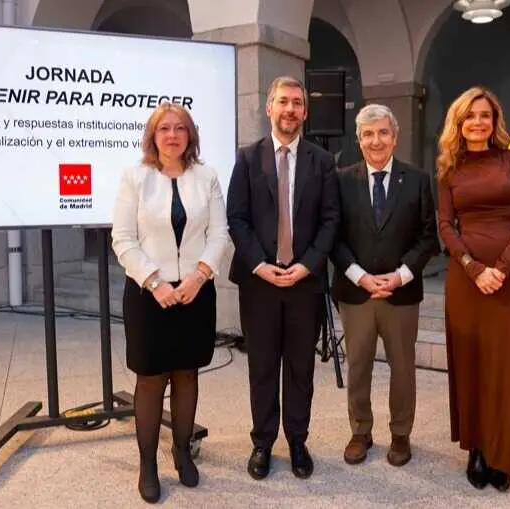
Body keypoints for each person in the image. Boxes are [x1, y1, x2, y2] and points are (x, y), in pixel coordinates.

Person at [112, 103, 229, 503]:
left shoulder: (207, 177)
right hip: (149, 296)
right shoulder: (135, 178)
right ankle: (148, 464)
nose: (173, 135)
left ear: (190, 135)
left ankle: (181, 451)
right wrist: (155, 282)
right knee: (150, 380)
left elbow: (220, 234)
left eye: (181, 128)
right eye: (164, 128)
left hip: (196, 293)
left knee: (187, 374)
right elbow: (123, 239)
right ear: (153, 135)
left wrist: (199, 276)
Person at [226, 75, 340, 480]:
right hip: (259, 282)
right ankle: (262, 442)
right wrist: (261, 264)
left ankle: (297, 440)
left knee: (299, 367)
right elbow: (236, 218)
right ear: (268, 108)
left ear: (304, 112)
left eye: (297, 103)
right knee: (261, 365)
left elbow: (331, 221)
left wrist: (306, 265)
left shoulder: (323, 161)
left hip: (304, 282)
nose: (290, 109)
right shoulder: (246, 158)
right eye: (283, 102)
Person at [436, 86, 510, 492]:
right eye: (470, 116)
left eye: (485, 115)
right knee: (471, 362)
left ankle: (502, 453)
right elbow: (445, 225)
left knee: (506, 367)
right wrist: (474, 268)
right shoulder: (449, 168)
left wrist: (503, 266)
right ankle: (476, 449)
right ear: (459, 123)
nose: (478, 122)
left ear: (495, 122)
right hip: (466, 278)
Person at [331, 104, 438, 467]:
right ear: (358, 140)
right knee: (358, 365)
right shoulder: (342, 180)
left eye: (382, 133)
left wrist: (400, 275)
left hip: (401, 292)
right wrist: (360, 276)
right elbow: (334, 238)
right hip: (356, 293)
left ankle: (400, 434)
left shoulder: (419, 180)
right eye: (368, 134)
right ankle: (360, 431)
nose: (376, 140)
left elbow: (428, 238)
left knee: (403, 367)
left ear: (395, 137)